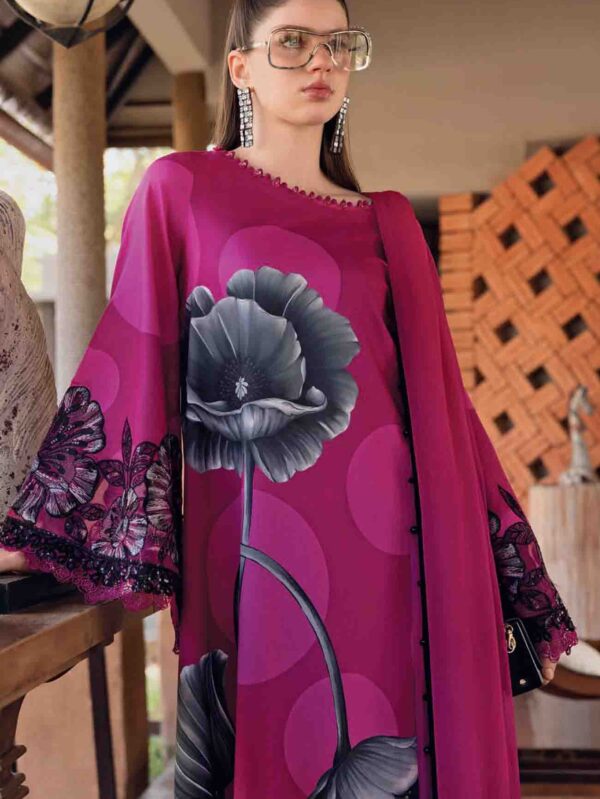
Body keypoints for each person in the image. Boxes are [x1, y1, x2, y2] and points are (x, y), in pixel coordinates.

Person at [0, 0, 579, 797]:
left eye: (338, 44)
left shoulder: (387, 223)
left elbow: (449, 418)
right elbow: (133, 356)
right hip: (251, 548)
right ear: (240, 67)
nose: (321, 60)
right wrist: (46, 530)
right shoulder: (181, 189)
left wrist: (513, 575)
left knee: (387, 747)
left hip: (397, 553)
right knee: (267, 741)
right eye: (294, 42)